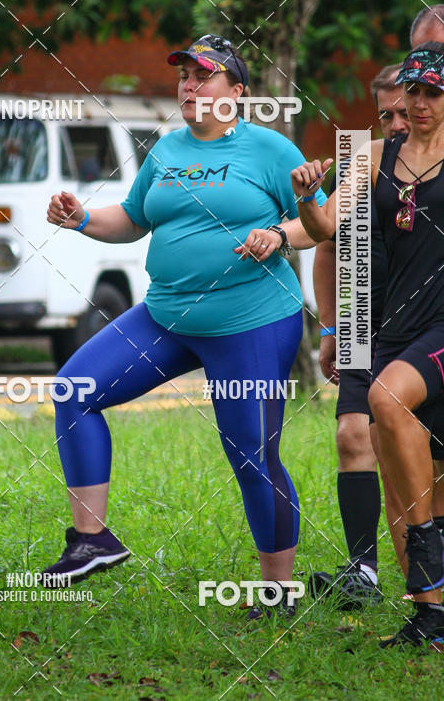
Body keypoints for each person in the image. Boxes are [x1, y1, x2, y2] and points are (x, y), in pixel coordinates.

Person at [42, 34, 326, 613]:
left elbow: (316, 224)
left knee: (252, 454)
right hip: (167, 314)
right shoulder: (167, 151)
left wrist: (277, 236)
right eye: (183, 77)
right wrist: (81, 217)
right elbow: (134, 219)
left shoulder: (271, 150)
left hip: (251, 322)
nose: (189, 86)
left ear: (237, 91)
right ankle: (92, 541)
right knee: (74, 390)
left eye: (204, 75)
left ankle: (278, 590)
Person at [291, 42, 444, 647]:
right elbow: (327, 229)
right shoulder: (373, 155)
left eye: (435, 93)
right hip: (386, 327)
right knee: (409, 469)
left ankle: (427, 549)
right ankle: (430, 614)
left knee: (385, 399)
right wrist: (308, 193)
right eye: (415, 92)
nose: (423, 104)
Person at [309, 64, 410, 609]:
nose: (395, 124)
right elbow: (326, 243)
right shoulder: (359, 165)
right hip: (361, 318)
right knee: (352, 436)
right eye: (384, 115)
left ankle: (423, 576)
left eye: (403, 110)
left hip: (421, 326)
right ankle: (363, 572)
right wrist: (330, 325)